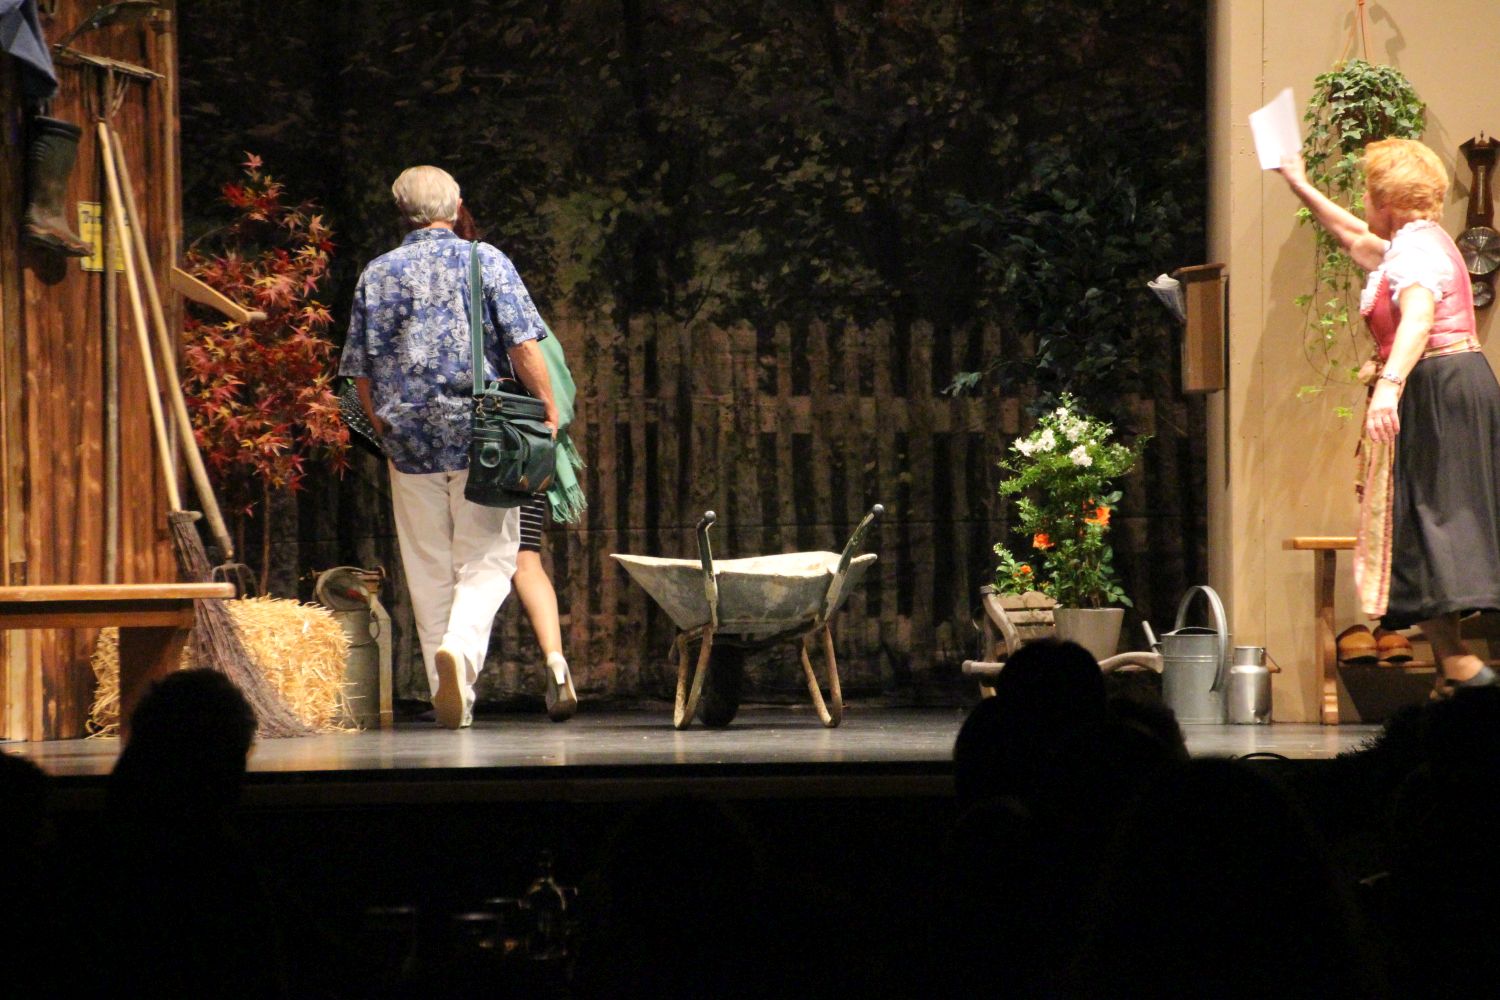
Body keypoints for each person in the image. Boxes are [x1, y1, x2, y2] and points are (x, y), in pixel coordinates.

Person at [340, 165, 569, 728]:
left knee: (427, 570)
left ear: (402, 210)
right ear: (456, 203)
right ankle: (460, 651)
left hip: (408, 441)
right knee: (489, 558)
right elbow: (523, 345)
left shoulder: (376, 273)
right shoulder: (484, 259)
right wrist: (547, 404)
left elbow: (359, 372)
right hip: (482, 436)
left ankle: (456, 701)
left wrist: (385, 428)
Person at [1278, 139, 1500, 690]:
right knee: (1425, 519)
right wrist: (1299, 185)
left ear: (1388, 201)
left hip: (1437, 384)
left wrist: (1389, 386)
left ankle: (1460, 665)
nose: (1364, 202)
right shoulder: (1417, 240)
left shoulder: (1415, 252)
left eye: (1369, 193)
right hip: (1450, 383)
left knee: (1430, 519)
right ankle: (1453, 670)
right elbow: (1355, 237)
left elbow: (1419, 317)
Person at [453, 205, 582, 722]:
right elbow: (546, 369)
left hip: (467, 448)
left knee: (461, 563)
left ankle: (456, 670)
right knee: (526, 562)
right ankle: (556, 661)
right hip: (518, 447)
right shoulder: (501, 297)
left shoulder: (433, 308)